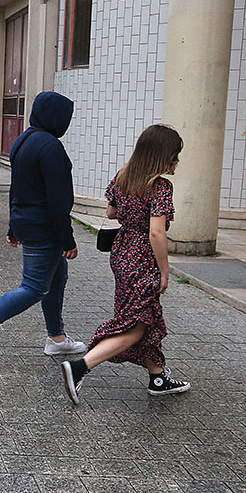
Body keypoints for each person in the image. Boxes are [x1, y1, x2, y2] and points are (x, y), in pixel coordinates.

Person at [60, 124, 191, 405]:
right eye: (175, 156)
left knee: (144, 317)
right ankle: (81, 366)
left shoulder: (123, 176)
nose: (177, 162)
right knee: (136, 324)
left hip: (122, 253)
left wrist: (131, 213)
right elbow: (157, 233)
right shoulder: (160, 186)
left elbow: (111, 211)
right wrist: (165, 271)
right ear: (163, 156)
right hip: (143, 258)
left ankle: (158, 377)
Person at [0, 91, 87, 362]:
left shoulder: (24, 140)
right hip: (44, 228)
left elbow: (17, 188)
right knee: (33, 287)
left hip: (27, 222)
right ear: (57, 117)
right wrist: (67, 240)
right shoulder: (50, 146)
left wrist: (13, 226)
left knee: (56, 279)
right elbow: (58, 200)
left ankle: (57, 339)